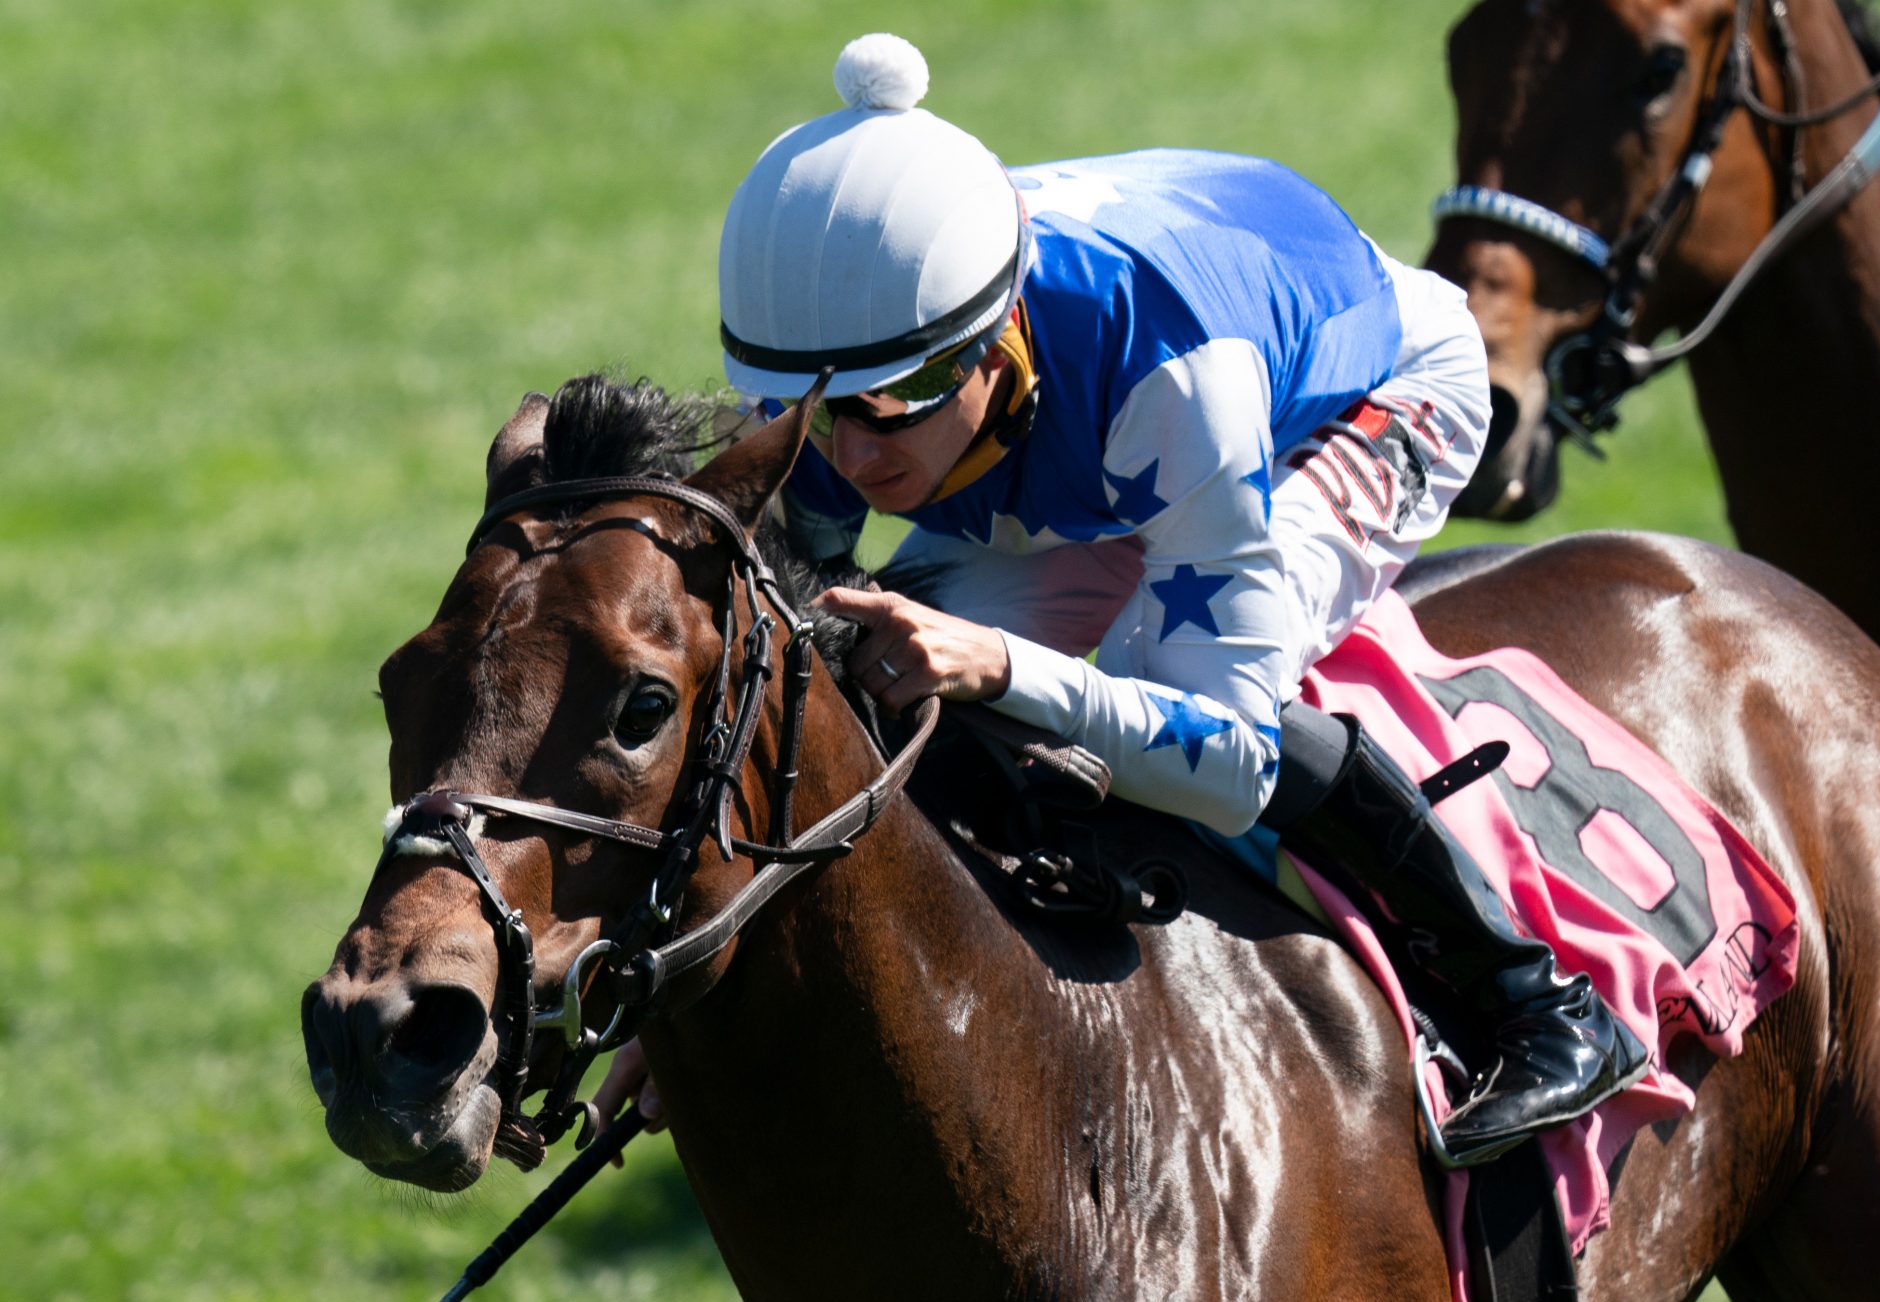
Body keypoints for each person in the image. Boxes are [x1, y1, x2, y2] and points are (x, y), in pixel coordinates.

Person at [594, 33, 1645, 1164]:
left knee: (1147, 701)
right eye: (809, 405)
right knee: (869, 678)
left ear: (993, 339)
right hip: (1083, 431)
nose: (847, 452)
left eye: (894, 398)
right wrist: (703, 963)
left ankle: (1534, 1000)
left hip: (1359, 396)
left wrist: (998, 664)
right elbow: (803, 695)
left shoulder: (1177, 379)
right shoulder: (854, 362)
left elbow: (1229, 755)